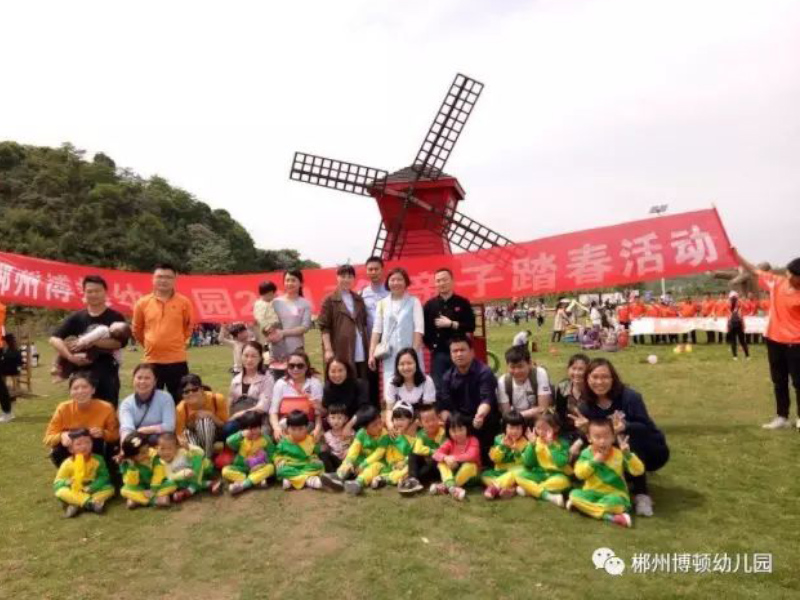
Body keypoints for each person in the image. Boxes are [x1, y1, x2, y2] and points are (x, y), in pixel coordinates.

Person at [575, 358, 669, 517]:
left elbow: (646, 427)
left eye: (605, 377)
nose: (600, 382)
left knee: (627, 441)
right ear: (587, 379)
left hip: (651, 449)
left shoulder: (630, 398)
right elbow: (593, 435)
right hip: (611, 447)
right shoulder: (586, 405)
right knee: (591, 448)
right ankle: (606, 486)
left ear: (613, 378)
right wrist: (584, 431)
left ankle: (642, 494)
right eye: (595, 377)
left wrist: (625, 426)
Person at [732, 250, 800, 430]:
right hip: (774, 340)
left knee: (799, 382)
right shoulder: (778, 282)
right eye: (788, 273)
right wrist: (736, 254)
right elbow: (754, 270)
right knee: (779, 380)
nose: (788, 276)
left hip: (796, 343)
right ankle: (782, 417)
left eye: (792, 275)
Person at [49, 275, 129, 406]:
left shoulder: (115, 317)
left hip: (107, 375)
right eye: (89, 291)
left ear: (105, 292)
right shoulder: (77, 317)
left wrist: (92, 342)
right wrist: (69, 357)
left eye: (97, 291)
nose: (94, 294)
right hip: (81, 376)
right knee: (82, 411)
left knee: (107, 411)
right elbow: (54, 338)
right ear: (84, 293)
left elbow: (119, 343)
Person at [132, 264, 194, 402]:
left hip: (177, 360)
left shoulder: (184, 302)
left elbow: (188, 327)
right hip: (152, 361)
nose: (163, 280)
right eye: (160, 277)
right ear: (153, 279)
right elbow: (137, 329)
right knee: (150, 400)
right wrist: (150, 343)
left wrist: (177, 343)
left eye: (168, 277)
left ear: (175, 279)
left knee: (181, 400)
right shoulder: (142, 303)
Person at [567, 419, 644, 528]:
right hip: (591, 493)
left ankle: (584, 508)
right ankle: (611, 517)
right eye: (597, 437)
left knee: (616, 502)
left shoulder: (619, 454)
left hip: (615, 495)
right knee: (574, 495)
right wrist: (594, 461)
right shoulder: (586, 454)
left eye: (606, 437)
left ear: (613, 437)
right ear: (589, 438)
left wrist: (628, 455)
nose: (602, 441)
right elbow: (579, 474)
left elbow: (638, 471)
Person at [437, 335, 499, 465]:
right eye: (455, 351)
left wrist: (480, 415)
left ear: (472, 352)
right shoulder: (447, 377)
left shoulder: (484, 372)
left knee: (486, 460)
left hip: (481, 420)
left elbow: (487, 400)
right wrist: (449, 422)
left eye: (462, 350)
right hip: (459, 422)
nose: (459, 354)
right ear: (450, 354)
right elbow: (444, 405)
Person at [44, 372, 119, 468]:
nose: (80, 391)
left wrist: (103, 433)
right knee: (59, 448)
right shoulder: (63, 408)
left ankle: (102, 470)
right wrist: (62, 436)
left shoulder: (106, 408)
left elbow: (115, 435)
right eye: (75, 388)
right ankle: (68, 471)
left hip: (96, 451)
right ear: (70, 392)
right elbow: (48, 438)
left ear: (93, 390)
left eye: (85, 387)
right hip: (69, 453)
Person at [368, 267, 425, 395]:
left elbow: (419, 329)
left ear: (406, 282)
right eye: (392, 280)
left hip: (410, 353)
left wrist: (413, 353)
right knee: (391, 388)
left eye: (399, 279)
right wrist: (371, 354)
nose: (396, 283)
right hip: (390, 355)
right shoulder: (382, 304)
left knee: (413, 387)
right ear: (388, 282)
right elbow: (376, 330)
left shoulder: (414, 302)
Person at [423, 268, 476, 390]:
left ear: (452, 281)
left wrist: (452, 324)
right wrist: (432, 346)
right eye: (438, 281)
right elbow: (424, 329)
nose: (441, 283)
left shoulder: (462, 302)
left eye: (444, 280)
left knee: (462, 384)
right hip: (439, 353)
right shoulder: (430, 305)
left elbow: (471, 326)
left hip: (459, 352)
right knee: (439, 386)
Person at [320, 405, 388, 495]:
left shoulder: (384, 435)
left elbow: (379, 454)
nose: (379, 427)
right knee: (349, 462)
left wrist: (364, 464)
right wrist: (349, 460)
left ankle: (358, 483)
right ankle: (339, 476)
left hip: (378, 462)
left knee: (374, 467)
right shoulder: (361, 433)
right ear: (365, 428)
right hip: (362, 461)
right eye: (374, 425)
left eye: (380, 422)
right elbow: (354, 449)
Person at [319, 264, 369, 380]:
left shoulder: (358, 299)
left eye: (350, 277)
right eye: (343, 276)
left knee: (360, 378)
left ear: (354, 279)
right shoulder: (329, 300)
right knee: (341, 378)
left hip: (359, 346)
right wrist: (328, 350)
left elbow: (363, 323)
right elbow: (324, 327)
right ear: (337, 277)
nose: (346, 280)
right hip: (340, 348)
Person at [53, 428, 115, 518]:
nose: (84, 447)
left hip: (91, 488)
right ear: (71, 449)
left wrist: (92, 487)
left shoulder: (98, 459)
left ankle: (77, 504)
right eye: (79, 444)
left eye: (88, 442)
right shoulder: (67, 463)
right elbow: (57, 483)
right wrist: (67, 482)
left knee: (109, 489)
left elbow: (104, 476)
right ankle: (91, 503)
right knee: (60, 492)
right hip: (75, 489)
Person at [514, 413, 571, 508]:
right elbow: (528, 463)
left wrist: (551, 445)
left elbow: (561, 463)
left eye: (546, 429)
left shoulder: (562, 443)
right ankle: (549, 496)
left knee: (563, 482)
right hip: (540, 474)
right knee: (520, 477)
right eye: (538, 428)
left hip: (558, 475)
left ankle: (531, 490)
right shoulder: (535, 441)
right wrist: (532, 445)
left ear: (556, 428)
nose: (541, 432)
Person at [269, 350, 323, 441]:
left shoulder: (315, 384)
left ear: (306, 367)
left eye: (300, 366)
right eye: (291, 366)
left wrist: (317, 429)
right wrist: (276, 428)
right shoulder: (281, 384)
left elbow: (318, 414)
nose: (295, 369)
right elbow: (273, 411)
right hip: (285, 425)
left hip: (307, 425)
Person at [52, 322, 131, 383]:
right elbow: (118, 356)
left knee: (70, 352)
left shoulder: (104, 329)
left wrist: (81, 342)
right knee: (70, 354)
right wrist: (119, 363)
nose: (115, 322)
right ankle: (60, 370)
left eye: (116, 324)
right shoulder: (112, 339)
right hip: (90, 352)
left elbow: (92, 336)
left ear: (113, 329)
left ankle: (59, 369)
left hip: (84, 346)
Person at [118, 363, 176, 445]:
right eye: (139, 378)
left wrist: (146, 430)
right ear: (133, 380)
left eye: (147, 378)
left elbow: (169, 426)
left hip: (162, 445)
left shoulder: (165, 398)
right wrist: (125, 446)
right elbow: (126, 429)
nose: (142, 381)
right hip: (137, 445)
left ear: (155, 381)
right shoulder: (126, 403)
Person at [269, 269, 313, 377]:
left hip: (296, 350)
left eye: (293, 280)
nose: (289, 283)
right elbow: (268, 323)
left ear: (300, 283)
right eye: (287, 280)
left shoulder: (305, 304)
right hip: (277, 350)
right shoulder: (275, 302)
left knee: (297, 380)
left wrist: (283, 333)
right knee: (278, 380)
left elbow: (305, 327)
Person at [155, 432, 221, 503]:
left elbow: (201, 453)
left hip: (202, 470)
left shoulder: (182, 452)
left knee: (197, 458)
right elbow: (170, 476)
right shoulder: (161, 463)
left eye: (169, 449)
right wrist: (184, 474)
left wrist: (188, 447)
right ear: (157, 449)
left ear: (176, 447)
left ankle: (188, 491)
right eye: (162, 449)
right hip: (188, 478)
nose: (165, 452)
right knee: (175, 482)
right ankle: (210, 484)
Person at [430, 411, 481, 501]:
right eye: (453, 431)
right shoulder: (450, 442)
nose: (458, 434)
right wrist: (446, 458)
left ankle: (447, 487)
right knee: (441, 463)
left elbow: (472, 455)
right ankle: (453, 488)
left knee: (469, 465)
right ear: (448, 431)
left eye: (461, 429)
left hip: (471, 476)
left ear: (466, 428)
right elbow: (435, 454)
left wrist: (454, 458)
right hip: (455, 473)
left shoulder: (473, 440)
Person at [174, 374, 229, 457]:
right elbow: (180, 435)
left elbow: (225, 425)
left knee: (204, 422)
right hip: (193, 435)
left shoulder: (217, 399)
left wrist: (211, 416)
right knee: (186, 433)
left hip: (216, 432)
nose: (191, 393)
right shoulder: (180, 408)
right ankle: (198, 458)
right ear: (182, 395)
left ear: (202, 389)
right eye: (186, 392)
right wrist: (192, 424)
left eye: (195, 389)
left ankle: (207, 456)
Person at [383, 348, 436, 433]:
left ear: (416, 364)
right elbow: (389, 409)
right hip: (399, 423)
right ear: (397, 366)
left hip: (421, 422)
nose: (406, 367)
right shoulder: (391, 382)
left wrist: (414, 426)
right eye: (402, 364)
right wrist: (390, 424)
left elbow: (427, 409)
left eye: (409, 363)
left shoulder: (427, 381)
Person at [360, 256, 389, 408]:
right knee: (371, 375)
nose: (373, 272)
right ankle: (374, 409)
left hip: (390, 339)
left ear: (382, 270)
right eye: (370, 269)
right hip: (371, 341)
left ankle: (393, 407)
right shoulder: (362, 293)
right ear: (366, 272)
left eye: (376, 269)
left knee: (392, 373)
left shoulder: (391, 290)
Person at [223, 411, 275, 495]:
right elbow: (229, 442)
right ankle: (253, 480)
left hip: (258, 468)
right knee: (225, 471)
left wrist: (262, 465)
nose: (253, 431)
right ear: (244, 429)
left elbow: (272, 454)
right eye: (249, 429)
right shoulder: (241, 438)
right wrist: (241, 434)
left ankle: (244, 484)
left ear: (260, 427)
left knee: (270, 468)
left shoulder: (265, 439)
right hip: (242, 468)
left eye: (255, 428)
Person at [496, 346, 552, 424]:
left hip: (538, 420)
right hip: (516, 423)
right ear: (507, 366)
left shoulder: (539, 373)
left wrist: (518, 415)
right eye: (512, 367)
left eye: (520, 366)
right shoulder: (502, 382)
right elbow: (507, 415)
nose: (517, 371)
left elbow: (543, 408)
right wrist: (533, 411)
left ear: (530, 363)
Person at [226, 341, 275, 430]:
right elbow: (230, 402)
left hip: (258, 421)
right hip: (238, 420)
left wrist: (239, 414)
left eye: (253, 356)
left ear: (260, 358)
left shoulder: (267, 378)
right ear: (241, 356)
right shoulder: (236, 379)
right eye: (246, 355)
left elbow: (263, 407)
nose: (249, 360)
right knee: (227, 429)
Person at [119, 432, 175, 509]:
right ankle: (154, 500)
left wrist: (153, 489)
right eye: (142, 453)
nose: (146, 454)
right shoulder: (127, 464)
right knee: (124, 490)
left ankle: (137, 500)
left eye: (147, 450)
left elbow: (158, 474)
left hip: (156, 486)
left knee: (172, 484)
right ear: (132, 456)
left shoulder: (154, 456)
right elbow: (131, 484)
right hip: (140, 488)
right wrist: (132, 468)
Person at [482, 409, 527, 500]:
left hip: (514, 471)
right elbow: (495, 459)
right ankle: (510, 488)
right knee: (484, 475)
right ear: (505, 428)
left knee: (518, 473)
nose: (514, 431)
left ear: (523, 429)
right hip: (500, 471)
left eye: (518, 428)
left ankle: (495, 487)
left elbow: (524, 462)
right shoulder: (498, 439)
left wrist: (516, 451)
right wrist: (502, 447)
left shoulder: (524, 442)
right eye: (511, 428)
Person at [273, 410, 325, 491]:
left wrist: (315, 458)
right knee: (281, 470)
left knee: (319, 465)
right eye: (293, 429)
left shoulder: (311, 439)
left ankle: (292, 480)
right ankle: (308, 480)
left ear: (306, 427)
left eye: (300, 429)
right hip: (290, 465)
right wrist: (279, 460)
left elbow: (315, 453)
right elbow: (277, 455)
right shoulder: (284, 441)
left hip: (306, 464)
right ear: (288, 429)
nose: (297, 432)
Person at [403, 404, 447, 495]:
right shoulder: (421, 434)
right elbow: (417, 449)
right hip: (426, 463)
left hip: (438, 467)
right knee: (412, 455)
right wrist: (432, 451)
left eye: (433, 419)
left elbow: (442, 452)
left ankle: (413, 480)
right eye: (426, 421)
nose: (431, 424)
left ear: (438, 418)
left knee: (433, 462)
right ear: (421, 423)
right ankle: (413, 479)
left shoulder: (443, 433)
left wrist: (430, 453)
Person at [554, 353, 590, 456]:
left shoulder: (593, 389)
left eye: (581, 369)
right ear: (568, 370)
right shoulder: (563, 387)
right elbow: (559, 413)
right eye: (573, 368)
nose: (577, 373)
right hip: (567, 431)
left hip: (588, 432)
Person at [375, 401, 416, 489]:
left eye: (402, 419)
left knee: (409, 469)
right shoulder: (389, 436)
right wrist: (393, 464)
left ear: (411, 420)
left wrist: (403, 463)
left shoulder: (414, 438)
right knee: (375, 465)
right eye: (396, 419)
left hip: (404, 466)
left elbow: (411, 454)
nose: (399, 422)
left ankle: (386, 479)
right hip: (391, 466)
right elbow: (383, 452)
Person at [321, 358, 369, 427]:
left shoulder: (360, 384)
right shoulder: (328, 388)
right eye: (333, 371)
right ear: (328, 373)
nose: (337, 375)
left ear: (347, 371)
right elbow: (327, 410)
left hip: (358, 423)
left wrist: (350, 424)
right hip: (337, 425)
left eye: (340, 370)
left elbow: (367, 409)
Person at [319, 403, 354, 473]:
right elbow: (324, 450)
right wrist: (322, 441)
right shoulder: (327, 435)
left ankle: (343, 473)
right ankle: (332, 474)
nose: (336, 421)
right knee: (323, 455)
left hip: (346, 460)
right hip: (335, 461)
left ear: (345, 419)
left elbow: (356, 445)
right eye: (333, 418)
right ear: (328, 419)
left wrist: (349, 450)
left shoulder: (349, 432)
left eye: (339, 418)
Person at [253, 281, 279, 345]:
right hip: (268, 330)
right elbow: (260, 318)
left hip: (276, 327)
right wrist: (268, 328)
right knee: (269, 345)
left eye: (273, 293)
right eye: (271, 294)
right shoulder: (260, 304)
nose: (273, 296)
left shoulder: (272, 302)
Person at [728, 294, 750, 361]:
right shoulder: (739, 307)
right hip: (739, 325)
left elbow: (729, 318)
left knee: (733, 341)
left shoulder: (729, 308)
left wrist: (728, 326)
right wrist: (743, 325)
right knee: (742, 341)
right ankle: (747, 356)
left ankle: (735, 356)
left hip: (732, 325)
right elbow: (741, 317)